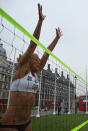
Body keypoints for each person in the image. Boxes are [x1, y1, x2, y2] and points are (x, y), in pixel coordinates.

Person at [0, 3, 62, 131]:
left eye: (39, 60)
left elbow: (47, 53)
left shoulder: (36, 72)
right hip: (10, 123)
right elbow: (33, 43)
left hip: (27, 123)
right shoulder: (22, 70)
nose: (39, 61)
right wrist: (40, 21)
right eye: (35, 59)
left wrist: (57, 38)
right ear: (28, 61)